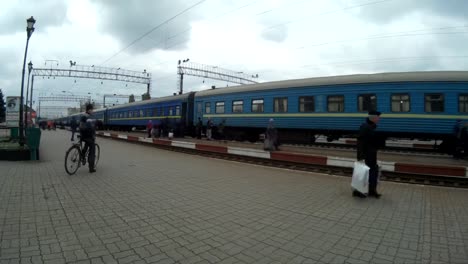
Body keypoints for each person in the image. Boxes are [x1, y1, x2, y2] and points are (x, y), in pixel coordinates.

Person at [355, 110, 382, 198]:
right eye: (378, 117)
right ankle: (359, 192)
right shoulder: (365, 127)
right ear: (373, 118)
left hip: (372, 155)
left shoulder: (372, 127)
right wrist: (360, 157)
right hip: (366, 155)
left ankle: (372, 191)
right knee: (363, 173)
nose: (379, 119)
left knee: (373, 173)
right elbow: (360, 143)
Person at [79, 104, 97, 173]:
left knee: (86, 145)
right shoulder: (88, 117)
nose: (93, 111)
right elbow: (91, 127)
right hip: (88, 136)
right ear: (89, 110)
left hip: (82, 135)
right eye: (92, 109)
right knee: (92, 151)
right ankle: (91, 168)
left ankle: (82, 156)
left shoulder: (83, 115)